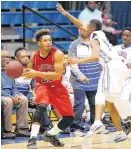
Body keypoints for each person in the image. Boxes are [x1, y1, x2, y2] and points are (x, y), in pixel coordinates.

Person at [56, 3, 129, 142]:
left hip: (110, 66)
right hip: (119, 68)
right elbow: (79, 24)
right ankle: (121, 131)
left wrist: (77, 61)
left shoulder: (95, 37)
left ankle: (97, 123)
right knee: (109, 101)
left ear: (92, 28)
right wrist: (66, 14)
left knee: (100, 94)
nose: (83, 28)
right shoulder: (100, 34)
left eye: (87, 26)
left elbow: (95, 57)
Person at [22, 29, 74, 149]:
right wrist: (21, 72)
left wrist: (37, 72)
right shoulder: (34, 56)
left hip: (57, 87)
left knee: (69, 118)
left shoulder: (58, 54)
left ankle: (50, 135)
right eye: (45, 40)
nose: (48, 42)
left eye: (50, 40)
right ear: (39, 43)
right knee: (41, 107)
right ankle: (32, 139)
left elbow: (56, 75)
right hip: (43, 86)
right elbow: (29, 71)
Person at [68, 23, 100, 133]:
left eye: (85, 28)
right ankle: (75, 126)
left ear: (91, 29)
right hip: (78, 79)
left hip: (93, 78)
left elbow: (98, 59)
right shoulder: (74, 44)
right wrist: (80, 76)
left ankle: (95, 125)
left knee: (94, 102)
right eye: (81, 28)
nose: (83, 31)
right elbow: (72, 63)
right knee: (79, 102)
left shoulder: (95, 43)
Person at [15, 47, 51, 133]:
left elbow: (35, 87)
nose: (26, 58)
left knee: (41, 100)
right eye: (23, 57)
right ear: (17, 58)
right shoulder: (12, 70)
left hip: (27, 94)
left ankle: (45, 128)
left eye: (27, 56)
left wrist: (35, 97)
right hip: (16, 94)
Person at [1, 50, 29, 137]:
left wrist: (16, 95)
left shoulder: (10, 71)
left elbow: (13, 88)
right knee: (8, 101)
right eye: (3, 57)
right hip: (3, 96)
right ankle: (7, 130)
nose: (6, 59)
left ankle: (21, 129)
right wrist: (11, 97)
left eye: (7, 57)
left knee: (23, 99)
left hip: (9, 96)